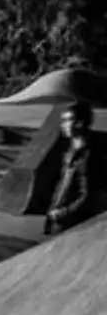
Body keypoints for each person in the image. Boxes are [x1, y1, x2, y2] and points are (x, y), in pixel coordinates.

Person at [45, 99, 105, 236]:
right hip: (59, 218)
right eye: (62, 121)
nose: (63, 125)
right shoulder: (70, 153)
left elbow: (88, 195)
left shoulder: (89, 157)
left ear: (80, 123)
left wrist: (62, 213)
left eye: (68, 120)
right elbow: (62, 186)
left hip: (73, 223)